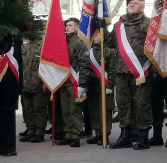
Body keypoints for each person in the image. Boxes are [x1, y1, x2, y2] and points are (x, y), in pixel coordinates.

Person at [108, 0, 152, 150]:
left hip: (140, 71)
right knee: (123, 104)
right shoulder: (119, 25)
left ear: (142, 6)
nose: (131, 5)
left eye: (135, 2)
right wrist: (102, 28)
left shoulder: (148, 23)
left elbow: (154, 47)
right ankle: (125, 135)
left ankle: (142, 136)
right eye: (130, 3)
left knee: (141, 104)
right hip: (121, 71)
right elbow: (111, 43)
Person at [54, 17, 89, 148]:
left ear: (77, 27)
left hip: (75, 83)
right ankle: (68, 134)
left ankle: (76, 136)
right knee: (66, 111)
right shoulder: (63, 42)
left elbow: (84, 64)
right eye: (66, 25)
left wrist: (82, 84)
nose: (67, 27)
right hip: (64, 81)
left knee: (74, 111)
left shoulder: (78, 43)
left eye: (70, 25)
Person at [85, 28, 116, 146]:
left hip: (105, 86)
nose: (96, 37)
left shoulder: (109, 52)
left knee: (106, 111)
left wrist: (111, 85)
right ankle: (97, 133)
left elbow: (112, 70)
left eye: (99, 35)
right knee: (94, 110)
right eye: (95, 35)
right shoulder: (89, 52)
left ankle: (105, 135)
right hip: (93, 86)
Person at [20, 36, 49, 143]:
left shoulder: (43, 46)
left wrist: (46, 82)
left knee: (39, 109)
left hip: (39, 84)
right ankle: (31, 131)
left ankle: (39, 132)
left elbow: (47, 66)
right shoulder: (24, 47)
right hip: (26, 83)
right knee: (28, 109)